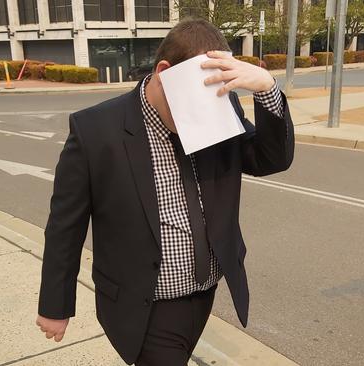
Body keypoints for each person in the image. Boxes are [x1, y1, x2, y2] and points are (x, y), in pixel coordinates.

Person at [35, 18, 295, 366]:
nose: (201, 114)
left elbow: (268, 159)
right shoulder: (96, 130)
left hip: (205, 292)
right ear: (163, 72)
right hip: (143, 304)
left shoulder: (219, 107)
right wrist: (55, 304)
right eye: (193, 101)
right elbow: (65, 224)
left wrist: (267, 89)